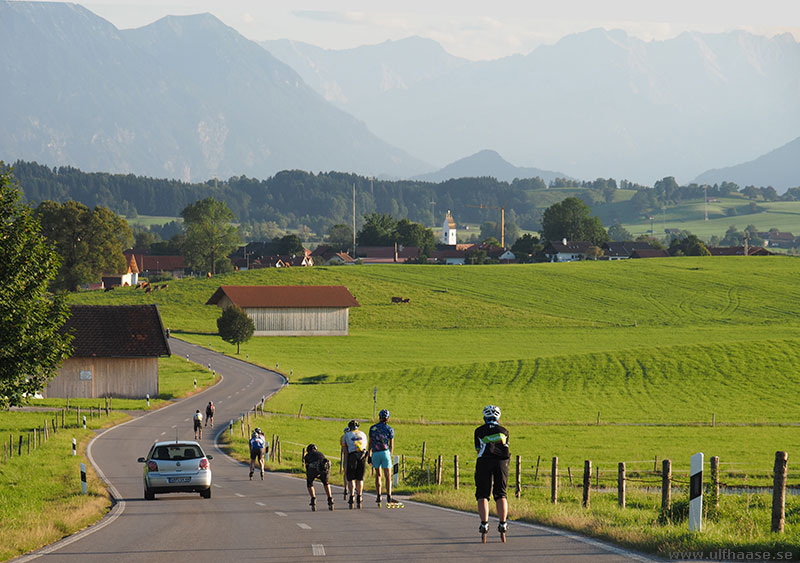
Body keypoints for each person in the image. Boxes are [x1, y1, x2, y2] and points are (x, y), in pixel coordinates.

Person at [474, 405, 510, 536]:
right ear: (498, 418)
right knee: (501, 494)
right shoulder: (504, 430)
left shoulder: (478, 431)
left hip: (484, 461)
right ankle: (503, 523)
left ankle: (484, 524)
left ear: (484, 417)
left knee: (483, 494)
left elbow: (477, 448)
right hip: (501, 463)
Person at [368, 409, 395, 506]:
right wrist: (390, 456)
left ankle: (379, 495)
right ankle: (389, 495)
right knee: (388, 476)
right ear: (387, 419)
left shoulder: (373, 428)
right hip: (385, 452)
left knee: (378, 475)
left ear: (379, 418)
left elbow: (370, 443)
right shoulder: (389, 429)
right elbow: (391, 445)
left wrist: (369, 455)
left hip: (375, 452)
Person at [341, 419, 368, 508]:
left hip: (352, 455)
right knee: (360, 478)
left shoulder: (346, 435)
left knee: (350, 478)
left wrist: (346, 462)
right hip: (362, 455)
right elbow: (365, 445)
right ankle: (359, 496)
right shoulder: (363, 434)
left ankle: (352, 496)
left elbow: (345, 451)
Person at [304, 444, 334, 510]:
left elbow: (307, 467)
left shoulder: (307, 456)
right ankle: (330, 498)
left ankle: (313, 498)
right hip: (324, 468)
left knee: (309, 482)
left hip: (313, 469)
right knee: (326, 483)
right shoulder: (320, 453)